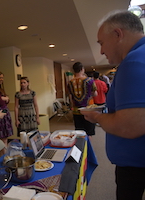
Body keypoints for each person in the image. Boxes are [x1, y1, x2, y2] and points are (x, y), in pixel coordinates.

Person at [80, 11, 145, 200]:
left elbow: (129, 126)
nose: (101, 51)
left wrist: (96, 117)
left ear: (118, 34)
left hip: (136, 168)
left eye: (101, 43)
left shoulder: (133, 62)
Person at [67, 62, 97, 136]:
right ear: (82, 69)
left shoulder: (70, 82)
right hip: (88, 110)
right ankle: (88, 147)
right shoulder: (90, 80)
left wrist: (72, 106)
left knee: (79, 132)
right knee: (89, 132)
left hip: (76, 111)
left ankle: (81, 147)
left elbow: (70, 96)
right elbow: (95, 94)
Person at [0, 71, 13, 146]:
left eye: (2, 78)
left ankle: (6, 153)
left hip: (5, 113)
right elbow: (0, 101)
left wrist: (4, 98)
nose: (1, 79)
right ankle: (4, 154)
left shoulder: (0, 88)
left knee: (5, 137)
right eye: (0, 78)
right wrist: (5, 98)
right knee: (2, 137)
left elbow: (7, 101)